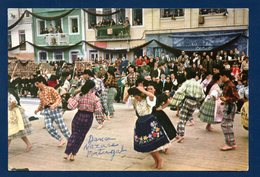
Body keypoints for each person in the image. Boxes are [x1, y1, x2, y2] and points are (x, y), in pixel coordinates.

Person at [128, 86, 171, 169]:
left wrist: (143, 90)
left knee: (153, 145)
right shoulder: (137, 102)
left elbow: (152, 96)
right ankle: (156, 161)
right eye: (134, 96)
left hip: (149, 123)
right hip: (141, 124)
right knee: (148, 146)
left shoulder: (148, 100)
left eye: (136, 95)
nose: (135, 97)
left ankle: (160, 160)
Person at [64, 80, 104, 161]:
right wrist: (100, 121)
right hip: (88, 118)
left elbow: (71, 106)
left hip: (79, 115)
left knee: (74, 134)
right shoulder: (95, 98)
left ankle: (67, 152)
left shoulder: (80, 95)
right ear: (93, 88)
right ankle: (73, 154)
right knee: (81, 136)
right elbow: (98, 111)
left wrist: (69, 99)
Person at [34, 76, 71, 147]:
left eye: (37, 83)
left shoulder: (51, 89)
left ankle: (70, 139)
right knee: (48, 127)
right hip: (46, 111)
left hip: (55, 110)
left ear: (41, 82)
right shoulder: (39, 92)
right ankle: (61, 139)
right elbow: (41, 102)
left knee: (61, 126)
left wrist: (54, 105)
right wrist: (38, 109)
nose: (36, 85)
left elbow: (58, 98)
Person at [174, 68, 205, 143]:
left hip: (187, 100)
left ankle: (180, 134)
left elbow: (179, 91)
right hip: (194, 103)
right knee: (185, 118)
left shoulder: (187, 82)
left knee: (182, 118)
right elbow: (203, 96)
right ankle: (178, 133)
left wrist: (176, 99)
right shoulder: (198, 84)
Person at [8, 80, 32, 152]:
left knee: (10, 131)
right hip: (11, 113)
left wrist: (10, 108)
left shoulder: (9, 93)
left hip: (14, 113)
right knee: (17, 131)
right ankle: (29, 144)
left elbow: (14, 102)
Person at [219, 70, 239, 151]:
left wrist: (226, 99)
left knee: (225, 124)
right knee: (227, 124)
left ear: (224, 76)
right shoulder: (227, 84)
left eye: (221, 76)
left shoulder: (230, 85)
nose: (220, 78)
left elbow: (236, 97)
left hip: (230, 106)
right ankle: (231, 143)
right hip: (229, 105)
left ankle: (230, 143)